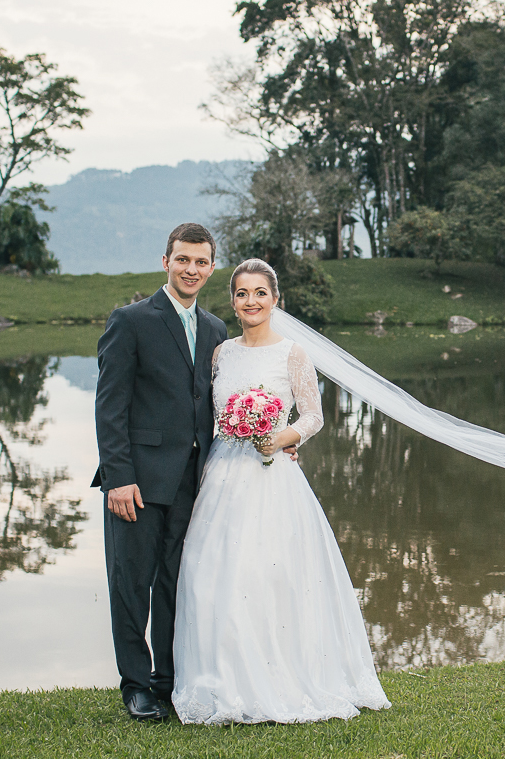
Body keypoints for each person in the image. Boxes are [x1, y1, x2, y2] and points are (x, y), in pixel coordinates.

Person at [171, 258, 390, 724]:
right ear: (232, 301)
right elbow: (209, 415)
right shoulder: (220, 354)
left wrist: (282, 438)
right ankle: (221, 680)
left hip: (272, 476)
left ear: (275, 300)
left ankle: (281, 678)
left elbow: (313, 416)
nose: (251, 302)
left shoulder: (292, 354)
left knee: (271, 574)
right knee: (212, 573)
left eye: (260, 293)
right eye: (242, 294)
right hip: (222, 473)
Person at [92, 223, 228, 722]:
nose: (191, 269)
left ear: (212, 267)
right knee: (131, 582)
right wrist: (117, 476)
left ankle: (167, 680)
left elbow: (217, 405)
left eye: (201, 261)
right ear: (165, 261)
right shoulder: (130, 321)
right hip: (139, 481)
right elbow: (111, 407)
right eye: (182, 259)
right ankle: (135, 685)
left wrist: (274, 441)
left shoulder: (215, 329)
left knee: (176, 582)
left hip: (194, 481)